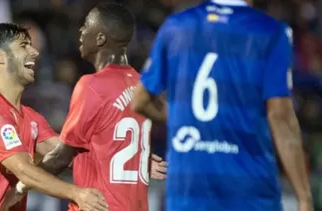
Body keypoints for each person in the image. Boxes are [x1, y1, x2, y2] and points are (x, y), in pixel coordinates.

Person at [132, 0, 313, 211]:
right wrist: (304, 197)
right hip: (248, 189)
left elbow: (140, 101)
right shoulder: (271, 32)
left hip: (188, 187)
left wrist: (184, 117)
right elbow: (279, 116)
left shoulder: (176, 25)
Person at [14, 3, 167, 211]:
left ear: (100, 38)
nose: (81, 30)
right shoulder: (142, 86)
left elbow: (60, 158)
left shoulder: (92, 85)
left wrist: (20, 187)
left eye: (86, 25)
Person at [0, 23, 107, 211]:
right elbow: (25, 171)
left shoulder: (30, 117)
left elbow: (68, 154)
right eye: (24, 46)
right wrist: (77, 193)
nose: (34, 52)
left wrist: (135, 158)